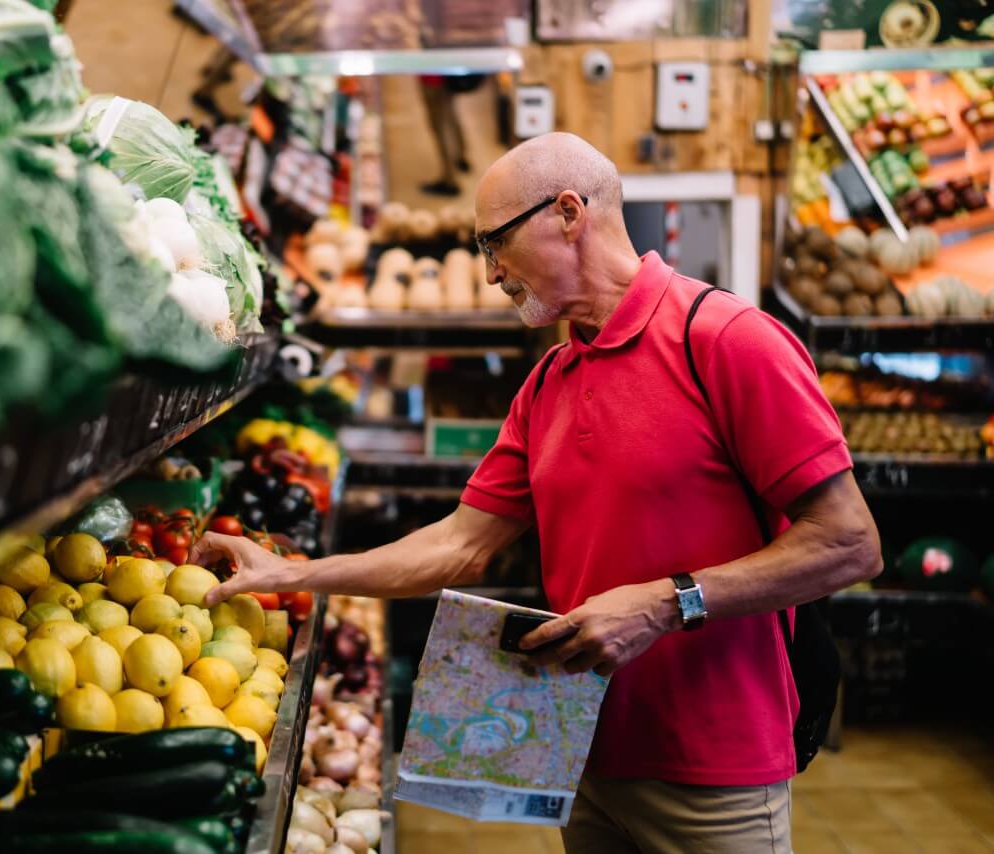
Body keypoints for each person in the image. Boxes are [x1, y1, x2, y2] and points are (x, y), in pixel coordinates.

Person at [192, 133, 882, 852]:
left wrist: (664, 602)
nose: (491, 274)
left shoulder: (730, 341)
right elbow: (460, 544)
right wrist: (292, 574)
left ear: (568, 212)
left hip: (713, 773)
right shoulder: (549, 381)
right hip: (580, 755)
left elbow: (849, 543)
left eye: (495, 243)